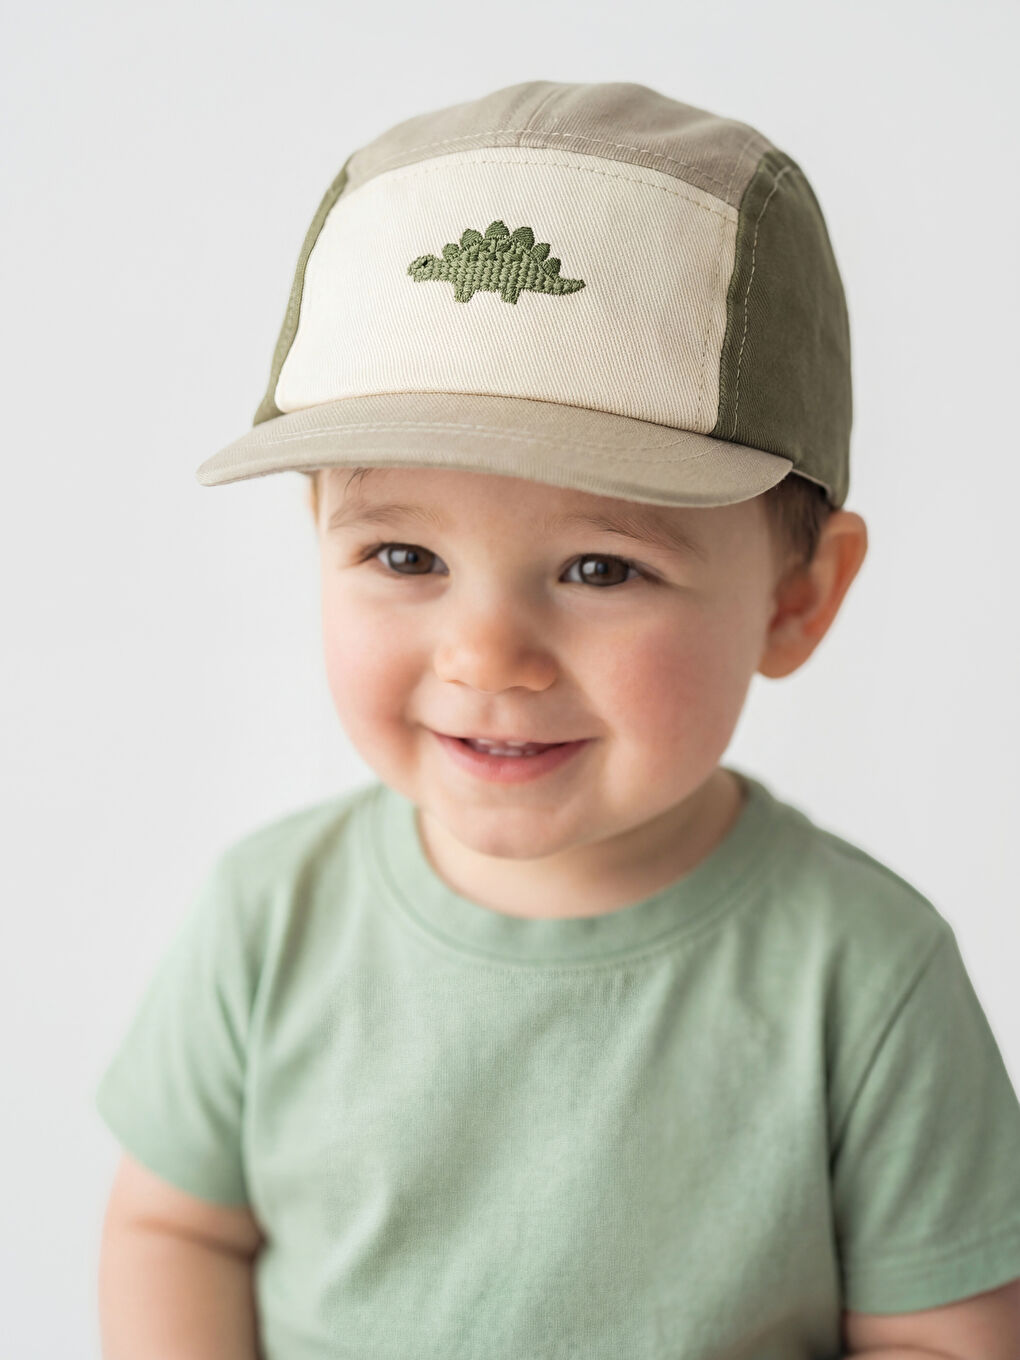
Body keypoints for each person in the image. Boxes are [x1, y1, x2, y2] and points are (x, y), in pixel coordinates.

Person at [94, 80, 1020, 1359]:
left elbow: (941, 1335)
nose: (487, 655)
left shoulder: (865, 975)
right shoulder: (268, 919)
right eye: (406, 556)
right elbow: (178, 1230)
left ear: (798, 597)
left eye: (601, 568)